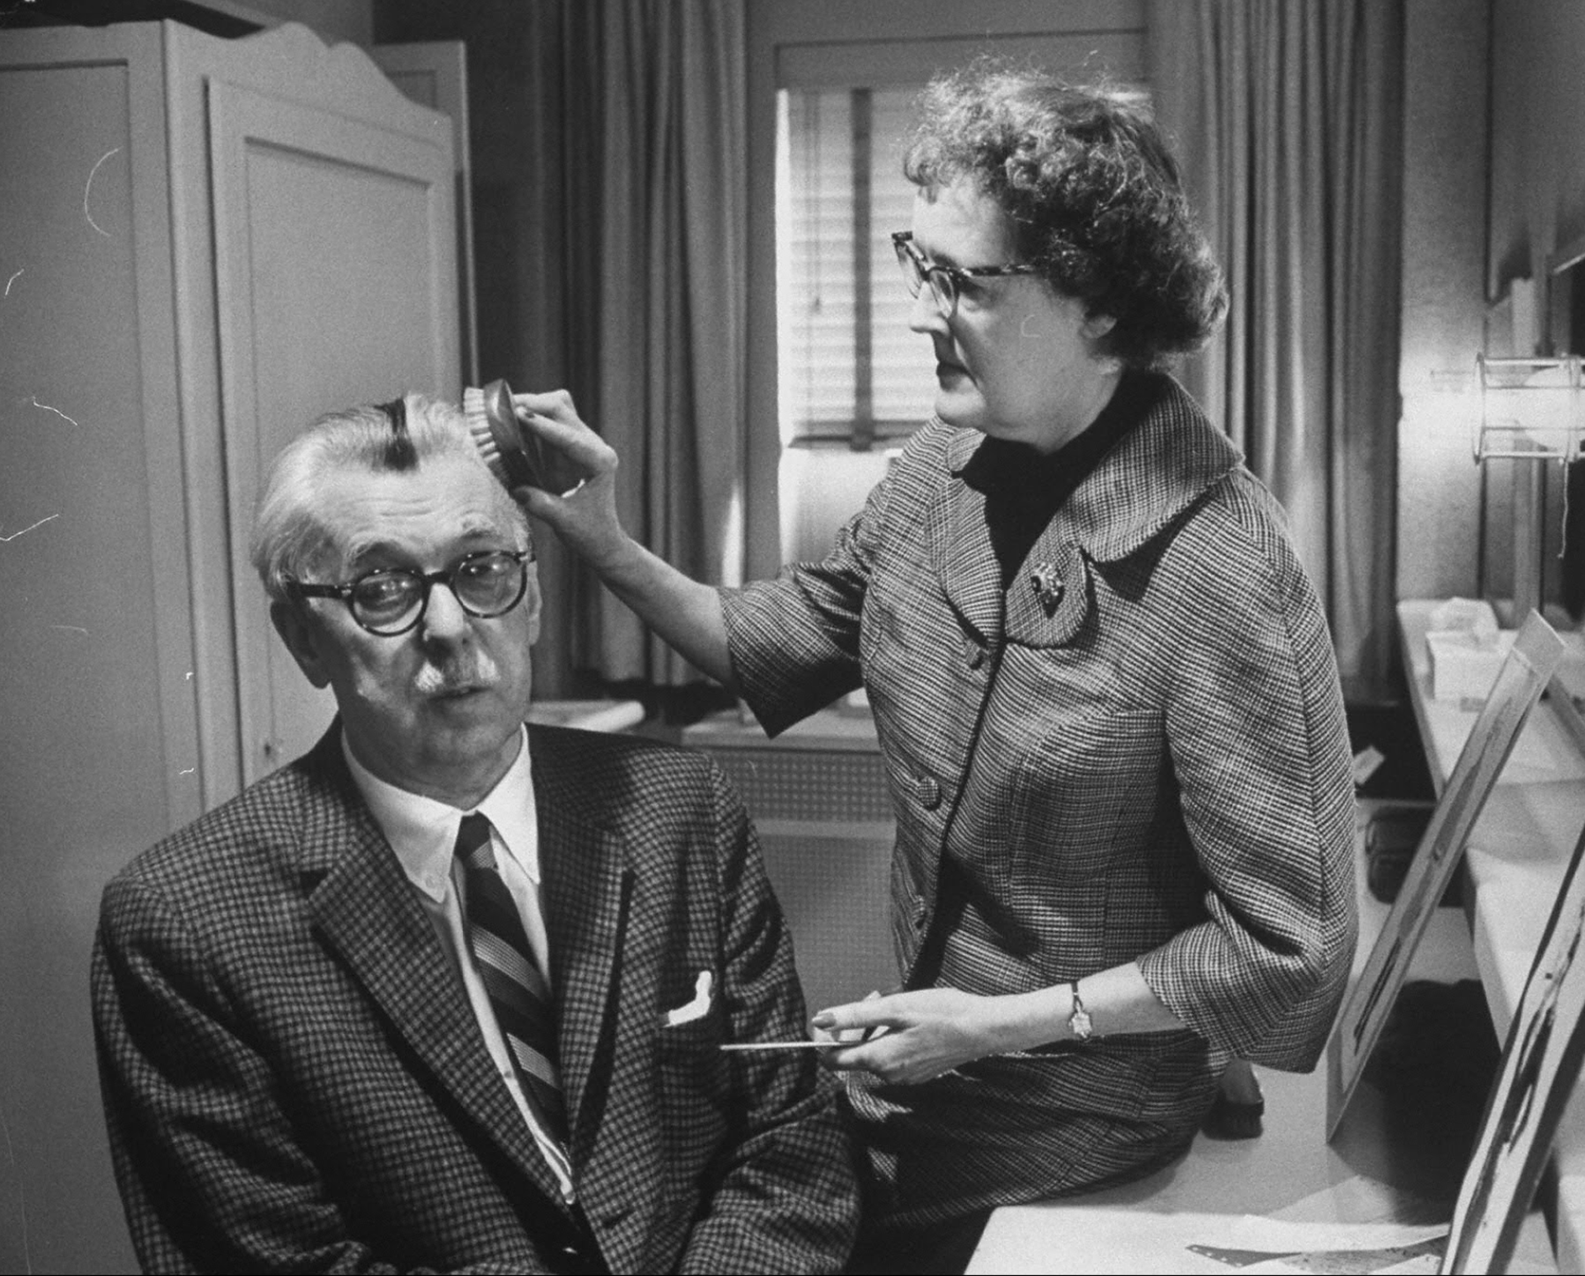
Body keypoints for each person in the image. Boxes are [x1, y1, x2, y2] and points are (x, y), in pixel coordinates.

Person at [514, 63, 1357, 1269]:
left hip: (1080, 1141)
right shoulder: (937, 471)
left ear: (1100, 303)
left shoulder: (1224, 561)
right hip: (919, 1095)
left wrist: (997, 1025)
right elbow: (775, 639)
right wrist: (599, 535)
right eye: (920, 265)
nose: (921, 311)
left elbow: (1289, 945)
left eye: (965, 282)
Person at [91, 397, 858, 1273]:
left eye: (482, 569)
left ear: (532, 601)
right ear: (303, 640)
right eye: (382, 589)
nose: (451, 628)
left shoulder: (677, 807)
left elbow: (790, 1148)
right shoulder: (183, 925)